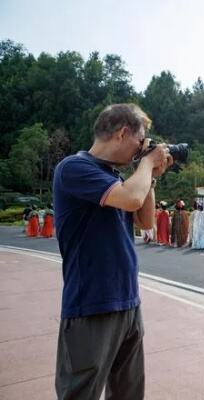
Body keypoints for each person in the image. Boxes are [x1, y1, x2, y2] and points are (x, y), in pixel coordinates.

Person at [53, 103, 171, 399]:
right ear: (121, 133)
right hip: (91, 303)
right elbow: (131, 199)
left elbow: (145, 221)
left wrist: (151, 175)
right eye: (139, 142)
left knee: (128, 393)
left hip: (128, 301)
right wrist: (145, 164)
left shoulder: (116, 179)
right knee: (81, 392)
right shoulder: (74, 168)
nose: (141, 150)